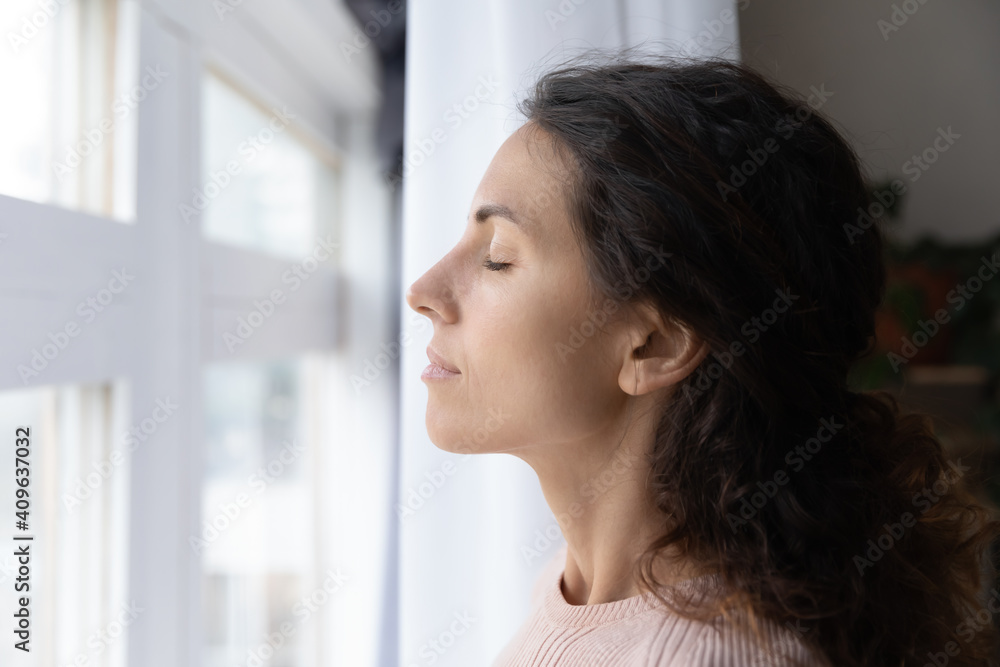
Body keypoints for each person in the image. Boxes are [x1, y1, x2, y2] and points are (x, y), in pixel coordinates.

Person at [404, 52, 1000, 666]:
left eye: (498, 255)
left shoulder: (713, 655)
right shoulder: (574, 589)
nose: (423, 291)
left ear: (655, 344)